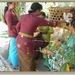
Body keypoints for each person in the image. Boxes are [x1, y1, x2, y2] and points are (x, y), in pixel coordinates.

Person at [16, 2, 64, 71]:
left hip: (18, 40)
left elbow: (17, 27)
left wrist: (25, 33)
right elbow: (51, 23)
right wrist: (61, 21)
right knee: (29, 62)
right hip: (26, 43)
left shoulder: (24, 16)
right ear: (38, 10)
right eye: (40, 10)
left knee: (22, 61)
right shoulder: (36, 19)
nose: (40, 12)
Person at [4, 2, 19, 69]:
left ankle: (10, 60)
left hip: (14, 32)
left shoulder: (11, 12)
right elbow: (10, 26)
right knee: (14, 49)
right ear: (9, 4)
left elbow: (15, 22)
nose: (15, 5)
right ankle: (15, 64)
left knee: (12, 48)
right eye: (14, 4)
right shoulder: (8, 13)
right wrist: (17, 30)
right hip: (13, 33)